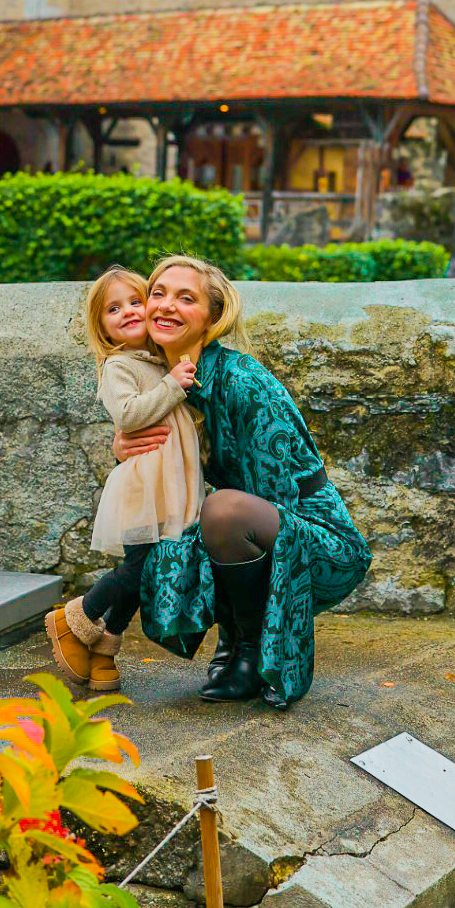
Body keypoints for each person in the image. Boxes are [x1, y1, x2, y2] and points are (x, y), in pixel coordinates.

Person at [111, 255, 370, 709]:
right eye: (158, 293)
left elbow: (272, 498)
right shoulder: (163, 383)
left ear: (212, 319)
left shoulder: (242, 381)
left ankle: (250, 651)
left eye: (185, 298)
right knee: (186, 523)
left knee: (222, 511)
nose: (166, 305)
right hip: (242, 528)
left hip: (315, 540)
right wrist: (123, 446)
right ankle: (227, 648)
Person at [45, 266, 204, 693]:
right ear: (100, 325)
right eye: (114, 308)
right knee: (141, 568)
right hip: (143, 485)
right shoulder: (118, 366)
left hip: (170, 485)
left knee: (145, 570)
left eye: (136, 301)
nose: (129, 312)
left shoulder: (158, 358)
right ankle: (76, 616)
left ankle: (104, 650)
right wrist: (172, 385)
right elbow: (129, 414)